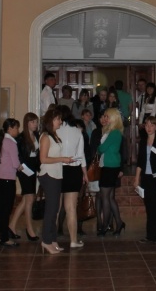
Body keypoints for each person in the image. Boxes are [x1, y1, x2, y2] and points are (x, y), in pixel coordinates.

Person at [38, 110, 75, 254]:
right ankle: (46, 241)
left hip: (56, 174)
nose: (60, 121)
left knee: (55, 210)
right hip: (49, 175)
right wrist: (62, 159)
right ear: (51, 121)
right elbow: (43, 159)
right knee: (51, 209)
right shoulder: (45, 137)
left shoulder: (54, 136)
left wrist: (64, 159)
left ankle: (53, 240)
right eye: (58, 119)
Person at [134, 116, 156, 244]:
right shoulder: (143, 141)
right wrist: (137, 178)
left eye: (152, 125)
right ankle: (151, 236)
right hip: (146, 178)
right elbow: (140, 161)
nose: (149, 128)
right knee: (149, 207)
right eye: (147, 125)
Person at [56, 105, 88, 248]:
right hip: (74, 170)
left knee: (55, 208)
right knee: (71, 208)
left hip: (58, 169)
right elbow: (81, 155)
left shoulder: (55, 130)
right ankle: (73, 240)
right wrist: (85, 174)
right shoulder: (77, 131)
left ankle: (52, 241)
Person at [9, 112, 40, 241]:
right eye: (33, 122)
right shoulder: (21, 138)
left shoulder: (37, 135)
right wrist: (21, 165)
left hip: (33, 168)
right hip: (24, 169)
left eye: (36, 122)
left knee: (25, 200)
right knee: (29, 198)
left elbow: (38, 154)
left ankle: (11, 226)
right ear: (27, 123)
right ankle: (29, 229)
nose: (35, 124)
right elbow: (18, 155)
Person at [0, 118, 21, 248]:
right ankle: (4, 238)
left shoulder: (2, 140)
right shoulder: (11, 143)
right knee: (6, 210)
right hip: (8, 180)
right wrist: (21, 167)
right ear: (10, 129)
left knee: (2, 210)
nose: (18, 130)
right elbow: (15, 163)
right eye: (16, 128)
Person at [97, 108, 125, 236]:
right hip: (111, 165)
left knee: (105, 197)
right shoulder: (113, 132)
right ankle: (118, 222)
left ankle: (105, 226)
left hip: (109, 166)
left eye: (107, 116)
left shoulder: (114, 133)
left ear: (113, 118)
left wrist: (99, 147)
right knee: (110, 197)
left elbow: (102, 148)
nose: (105, 119)